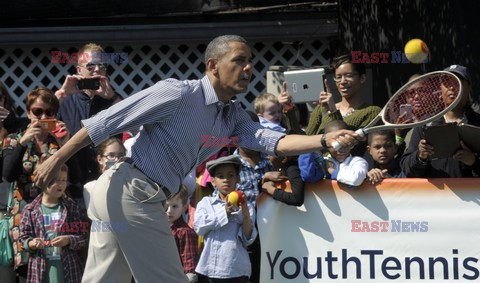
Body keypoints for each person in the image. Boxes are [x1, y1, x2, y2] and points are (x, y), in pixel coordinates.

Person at [33, 35, 361, 282]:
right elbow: (108, 121)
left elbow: (271, 140)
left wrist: (322, 138)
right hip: (130, 193)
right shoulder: (176, 93)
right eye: (239, 60)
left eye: (250, 60)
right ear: (212, 66)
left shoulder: (233, 115)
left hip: (119, 193)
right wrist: (56, 157)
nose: (248, 67)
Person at [2, 87, 73, 278]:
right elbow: (8, 175)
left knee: (56, 271)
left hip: (56, 215)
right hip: (26, 216)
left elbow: (77, 176)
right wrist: (23, 143)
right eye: (37, 111)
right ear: (28, 113)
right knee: (28, 271)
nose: (43, 116)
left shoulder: (59, 141)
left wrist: (67, 144)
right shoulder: (13, 139)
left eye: (49, 112)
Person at [56, 43, 120, 187]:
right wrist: (62, 94)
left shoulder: (114, 101)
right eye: (91, 66)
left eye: (102, 66)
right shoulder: (65, 100)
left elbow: (133, 124)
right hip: (71, 182)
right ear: (79, 70)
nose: (97, 69)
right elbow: (40, 117)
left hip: (106, 182)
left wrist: (113, 98)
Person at [401, 65, 480, 178]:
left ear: (469, 89)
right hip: (434, 195)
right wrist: (421, 156)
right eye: (447, 82)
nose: (451, 88)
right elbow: (406, 169)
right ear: (441, 89)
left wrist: (473, 161)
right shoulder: (426, 123)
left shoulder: (477, 123)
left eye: (457, 82)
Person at [19, 163, 87, 282]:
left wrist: (68, 240)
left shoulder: (72, 207)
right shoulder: (29, 210)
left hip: (69, 271)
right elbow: (23, 239)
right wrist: (32, 243)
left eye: (64, 180)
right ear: (42, 181)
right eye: (55, 180)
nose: (60, 184)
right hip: (39, 271)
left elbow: (84, 238)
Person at [304, 54, 381, 156]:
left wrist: (333, 111)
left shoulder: (372, 112)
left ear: (362, 78)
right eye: (338, 77)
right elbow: (305, 142)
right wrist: (289, 110)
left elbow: (349, 148)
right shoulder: (322, 108)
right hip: (316, 170)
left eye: (349, 76)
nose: (342, 82)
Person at [194, 155, 255, 283]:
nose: (226, 180)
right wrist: (224, 213)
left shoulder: (246, 206)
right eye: (220, 176)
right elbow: (199, 227)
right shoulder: (206, 203)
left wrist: (245, 215)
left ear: (238, 178)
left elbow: (247, 239)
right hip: (208, 269)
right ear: (213, 181)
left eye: (231, 175)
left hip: (235, 270)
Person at [299, 120, 368, 187]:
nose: (340, 150)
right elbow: (308, 176)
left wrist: (332, 171)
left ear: (351, 144)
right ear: (326, 146)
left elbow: (355, 180)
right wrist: (308, 148)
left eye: (344, 144)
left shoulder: (358, 162)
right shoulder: (325, 162)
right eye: (335, 145)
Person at [83, 137, 126, 214]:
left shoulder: (130, 185)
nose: (116, 160)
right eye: (111, 155)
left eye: (120, 155)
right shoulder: (90, 187)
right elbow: (100, 213)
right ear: (99, 159)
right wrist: (106, 178)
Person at [166, 186, 198, 283]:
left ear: (184, 208)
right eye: (165, 206)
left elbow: (189, 261)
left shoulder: (185, 232)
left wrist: (189, 278)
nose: (169, 211)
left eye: (174, 206)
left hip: (176, 278)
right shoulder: (160, 228)